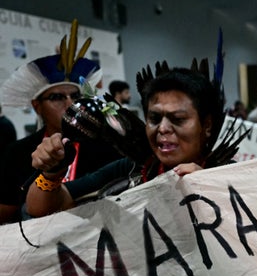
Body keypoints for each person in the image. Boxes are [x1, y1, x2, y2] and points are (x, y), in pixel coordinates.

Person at [25, 63, 233, 218]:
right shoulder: (130, 169)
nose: (162, 128)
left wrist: (211, 188)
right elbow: (40, 209)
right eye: (154, 118)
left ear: (206, 126)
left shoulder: (233, 176)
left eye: (177, 119)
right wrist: (51, 174)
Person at [0, 20, 121, 224]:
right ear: (37, 106)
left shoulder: (107, 144)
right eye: (57, 98)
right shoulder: (18, 153)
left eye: (75, 96)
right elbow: (5, 214)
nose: (70, 104)